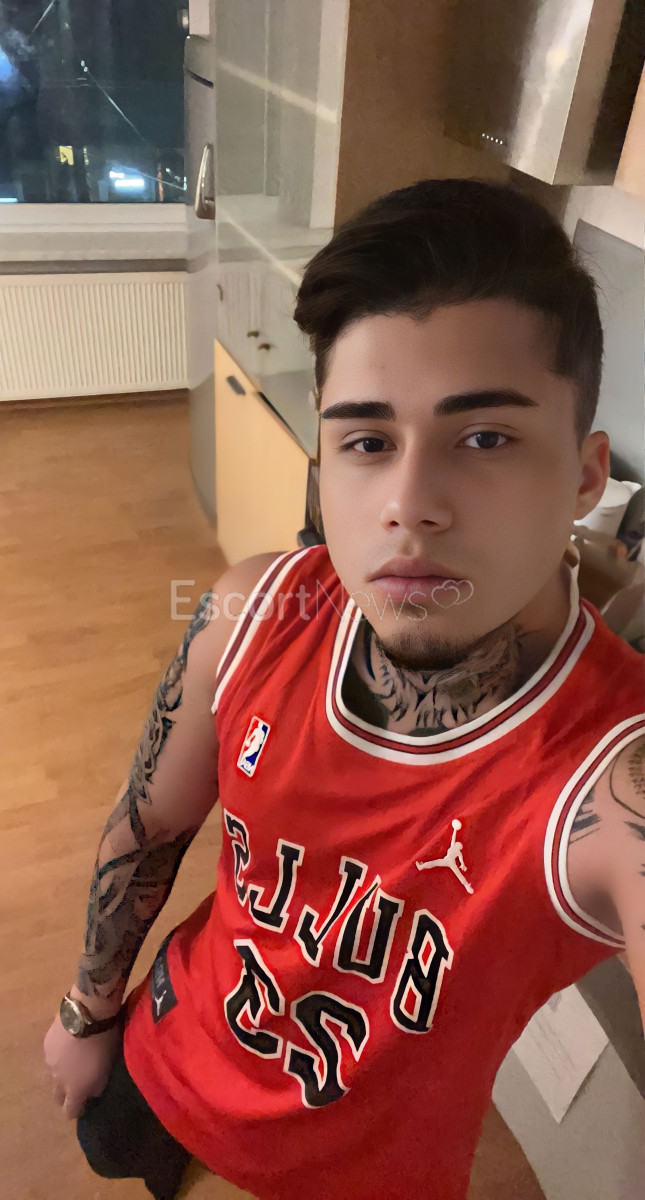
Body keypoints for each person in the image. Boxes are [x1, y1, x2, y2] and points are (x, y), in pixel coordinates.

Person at [44, 178, 645, 1200]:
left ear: (587, 476)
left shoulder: (608, 776)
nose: (409, 506)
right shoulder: (252, 614)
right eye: (366, 441)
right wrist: (85, 1013)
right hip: (164, 1051)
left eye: (485, 438)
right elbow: (147, 831)